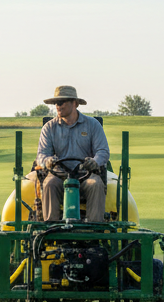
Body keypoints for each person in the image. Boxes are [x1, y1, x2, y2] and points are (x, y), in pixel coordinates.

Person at [32, 85, 110, 221]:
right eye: (56, 103)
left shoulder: (92, 125)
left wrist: (95, 162)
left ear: (75, 103)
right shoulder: (49, 128)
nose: (58, 106)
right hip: (58, 173)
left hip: (85, 174)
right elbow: (42, 155)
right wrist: (47, 161)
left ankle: (95, 230)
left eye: (62, 102)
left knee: (96, 184)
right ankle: (50, 228)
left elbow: (102, 151)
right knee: (49, 184)